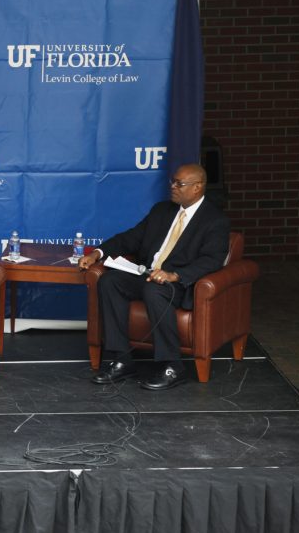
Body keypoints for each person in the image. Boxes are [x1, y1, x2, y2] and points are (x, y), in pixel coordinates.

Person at [78, 163, 230, 390]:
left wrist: (174, 275)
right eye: (173, 182)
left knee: (155, 290)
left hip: (179, 283)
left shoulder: (214, 220)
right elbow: (131, 238)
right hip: (147, 274)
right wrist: (97, 253)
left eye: (180, 184)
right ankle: (122, 359)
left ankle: (173, 366)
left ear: (197, 187)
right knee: (110, 281)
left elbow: (212, 259)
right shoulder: (162, 210)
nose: (173, 187)